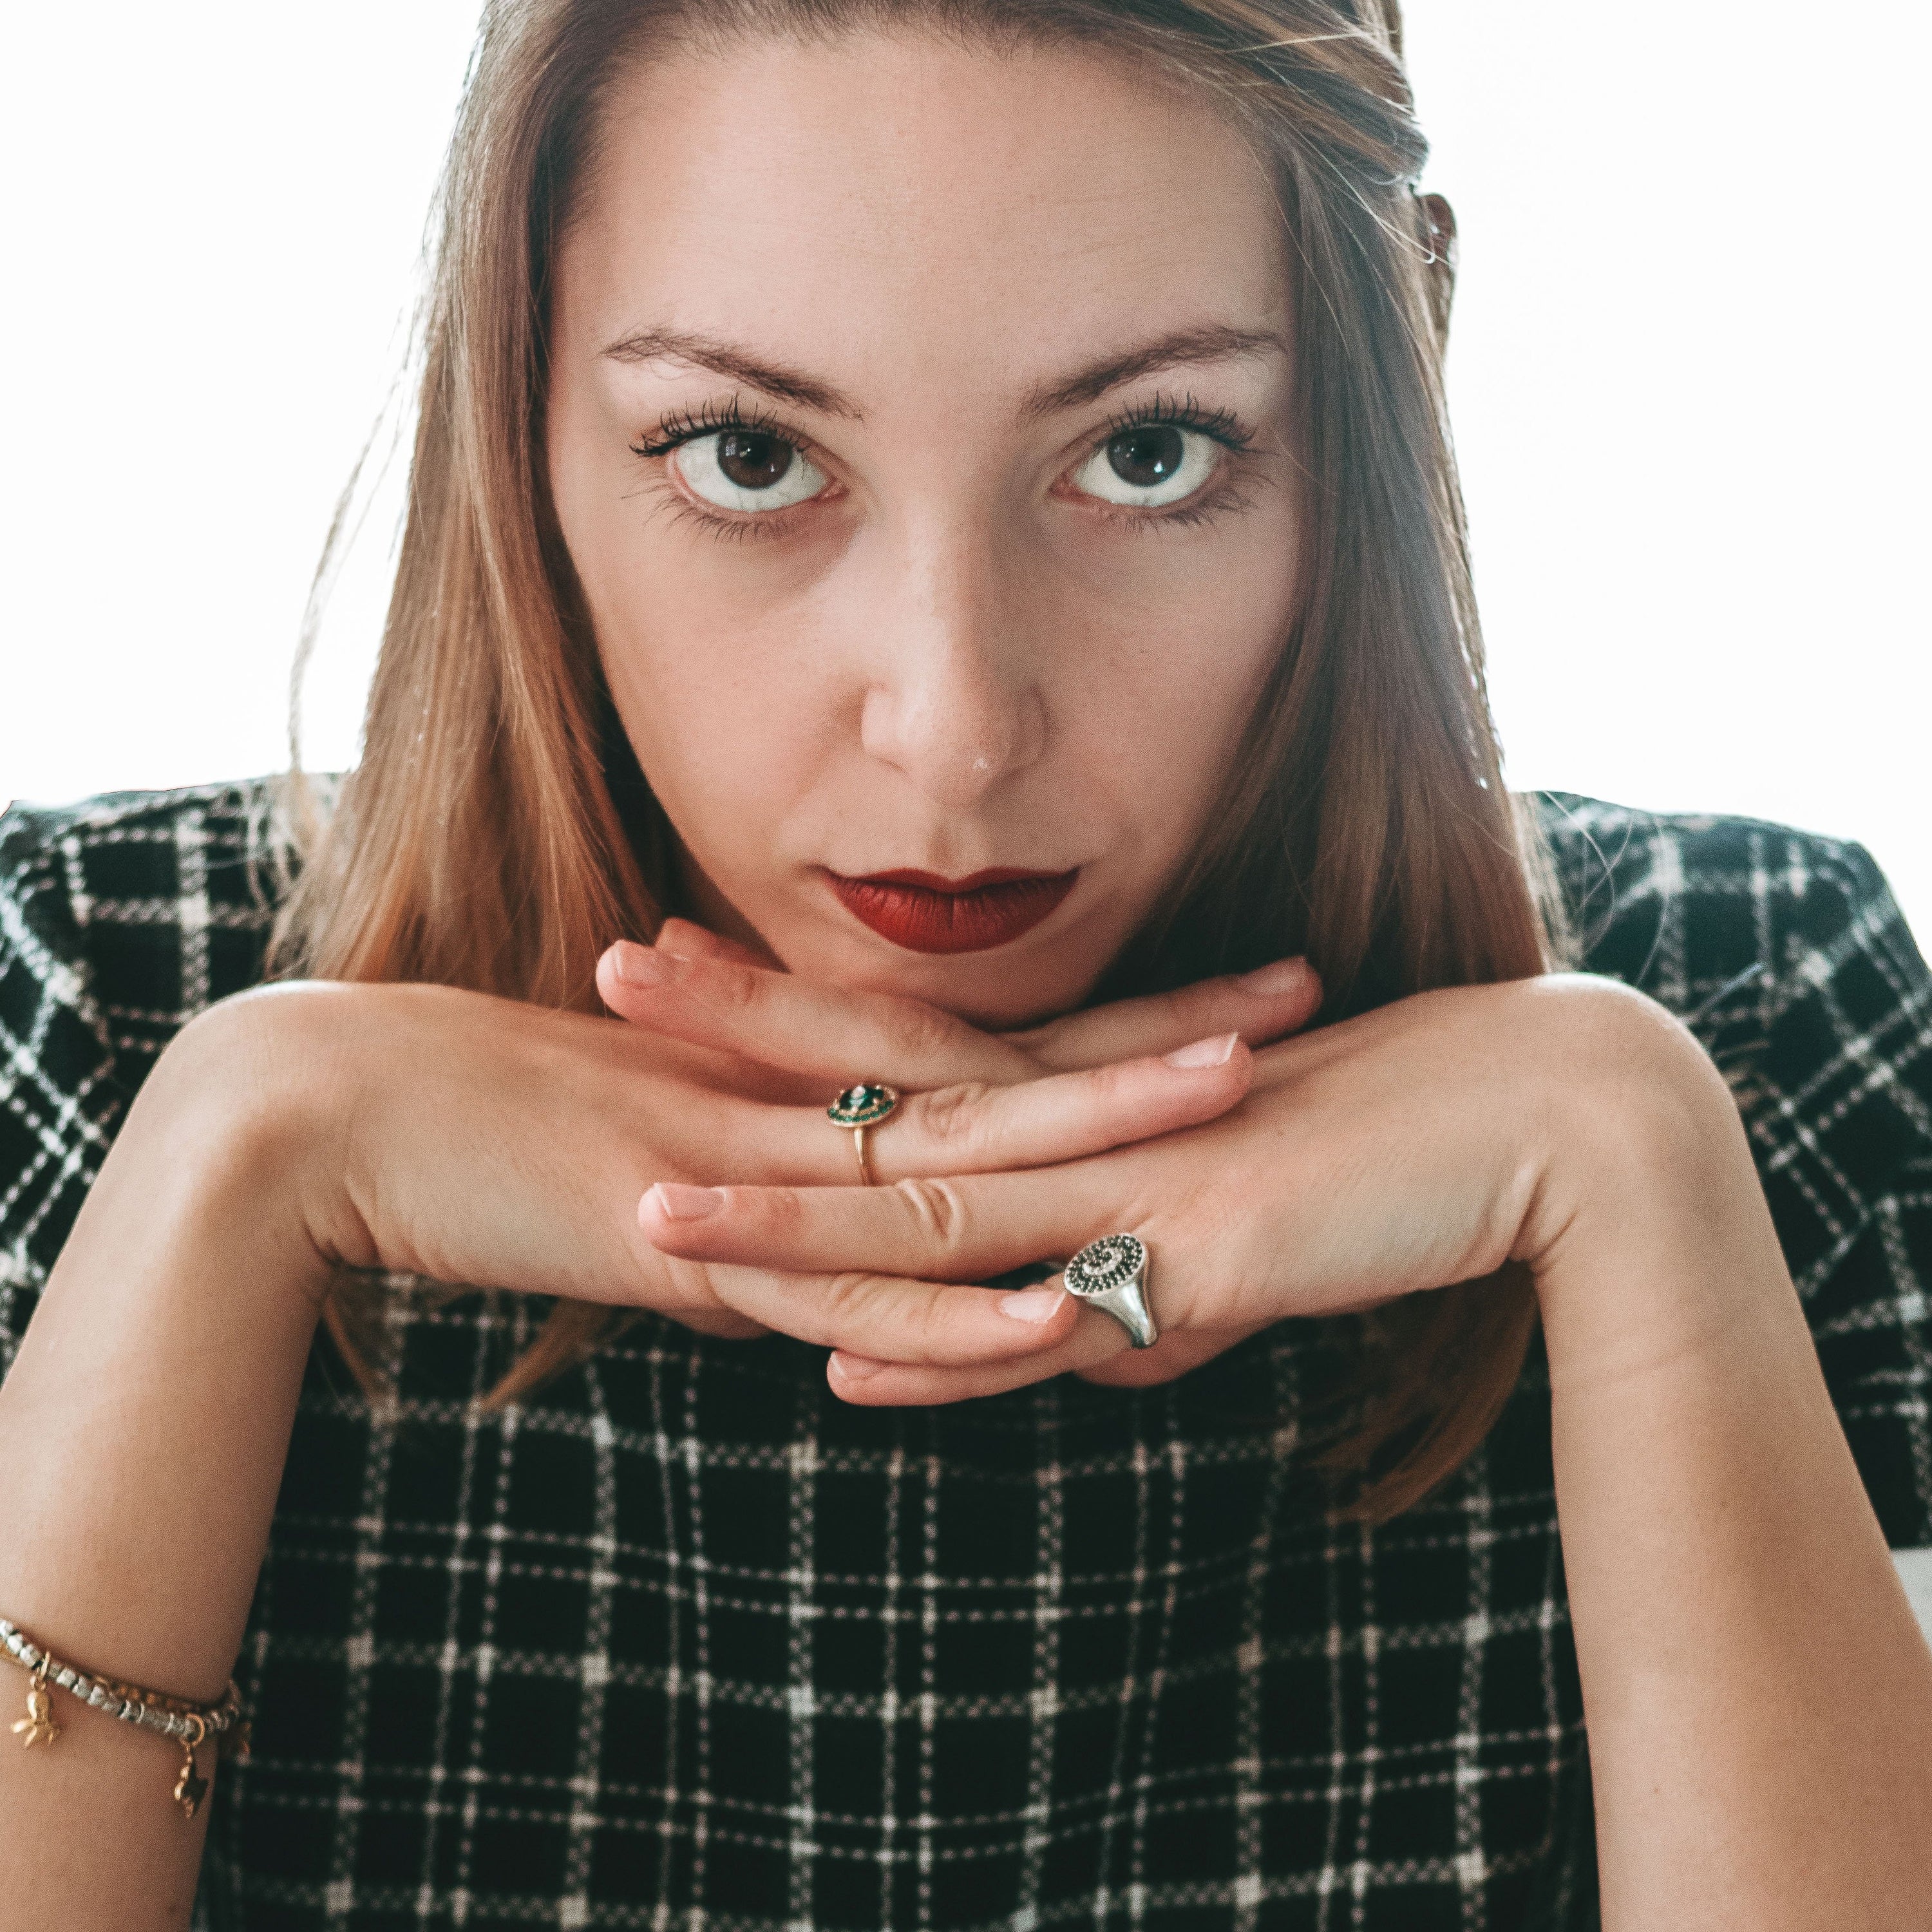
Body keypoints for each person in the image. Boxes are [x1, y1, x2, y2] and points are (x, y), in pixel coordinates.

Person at [1, 0, 1928, 1925]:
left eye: (1149, 453)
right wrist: (237, 1169)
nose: (956, 729)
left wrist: (1636, 1170)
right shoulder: (100, 1000)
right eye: (750, 454)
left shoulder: (1752, 1015)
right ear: (512, 411)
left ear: (1379, 387)